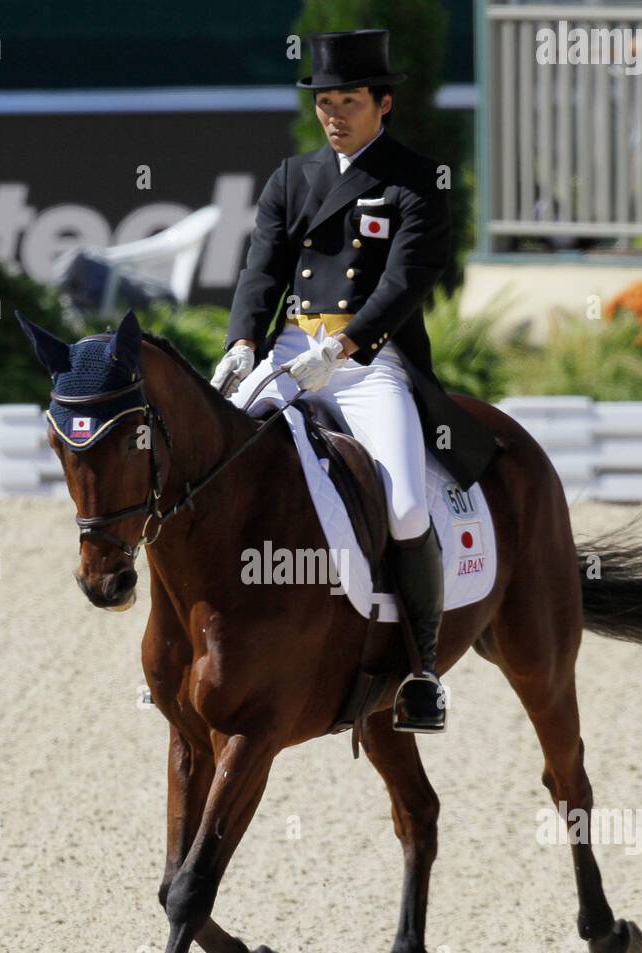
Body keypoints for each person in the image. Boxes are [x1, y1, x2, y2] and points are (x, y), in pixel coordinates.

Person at [211, 28, 498, 734]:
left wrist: (343, 346)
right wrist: (244, 343)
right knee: (215, 458)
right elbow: (262, 270)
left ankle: (422, 670)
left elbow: (406, 282)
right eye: (325, 102)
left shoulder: (415, 180)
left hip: (369, 363)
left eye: (348, 101)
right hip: (288, 348)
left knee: (403, 507)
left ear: (383, 103)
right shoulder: (292, 178)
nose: (334, 115)